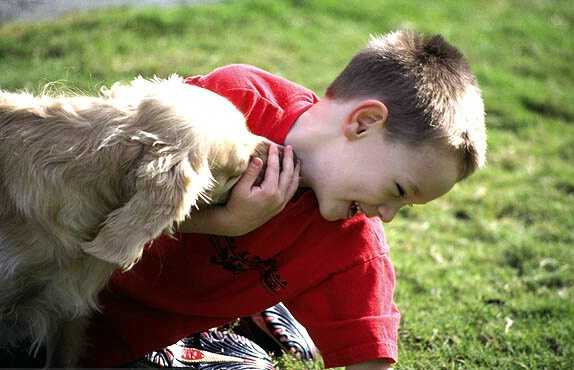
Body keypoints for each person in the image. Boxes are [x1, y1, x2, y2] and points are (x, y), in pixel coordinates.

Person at [81, 30, 486, 369]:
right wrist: (227, 223)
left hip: (104, 343)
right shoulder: (233, 100)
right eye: (398, 191)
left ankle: (255, 310)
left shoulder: (351, 240)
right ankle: (259, 310)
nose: (389, 215)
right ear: (363, 123)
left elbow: (372, 353)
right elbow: (97, 194)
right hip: (56, 287)